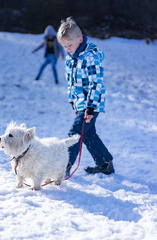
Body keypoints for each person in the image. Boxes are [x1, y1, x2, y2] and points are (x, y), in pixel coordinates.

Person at [57, 17, 114, 176]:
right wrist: (74, 104)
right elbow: (71, 83)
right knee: (88, 134)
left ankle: (64, 165)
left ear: (80, 39)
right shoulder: (70, 58)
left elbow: (96, 83)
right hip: (81, 103)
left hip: (92, 103)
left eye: (70, 44)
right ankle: (104, 163)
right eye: (64, 46)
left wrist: (89, 107)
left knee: (75, 133)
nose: (67, 48)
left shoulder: (91, 57)